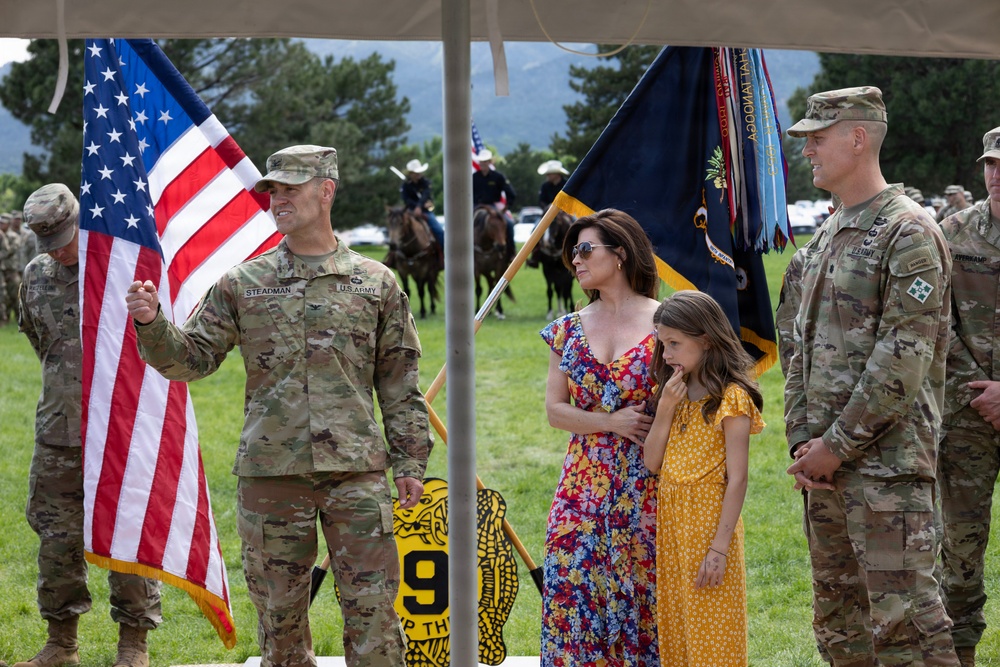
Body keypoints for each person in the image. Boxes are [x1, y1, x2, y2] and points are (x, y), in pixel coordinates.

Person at [125, 145, 432, 667]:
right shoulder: (243, 283)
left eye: (291, 188)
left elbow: (399, 383)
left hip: (356, 473)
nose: (278, 199)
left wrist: (409, 462)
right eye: (273, 190)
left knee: (375, 618)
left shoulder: (375, 282)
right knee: (279, 624)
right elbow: (191, 360)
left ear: (326, 191)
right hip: (271, 476)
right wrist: (152, 323)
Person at [784, 86, 958, 666]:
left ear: (857, 138)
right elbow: (798, 350)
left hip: (888, 472)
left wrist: (834, 447)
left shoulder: (908, 232)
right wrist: (803, 442)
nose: (807, 149)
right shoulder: (825, 236)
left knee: (908, 632)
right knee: (842, 630)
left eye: (817, 137)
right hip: (823, 472)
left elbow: (902, 359)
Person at [17, 183, 162, 667]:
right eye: (47, 243)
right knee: (56, 540)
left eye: (62, 240)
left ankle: (133, 645)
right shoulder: (35, 275)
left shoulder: (119, 268)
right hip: (58, 433)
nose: (56, 252)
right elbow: (42, 343)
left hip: (118, 429)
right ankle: (61, 644)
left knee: (127, 536)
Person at [539, 208, 662, 667]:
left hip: (647, 485)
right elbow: (555, 411)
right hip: (581, 490)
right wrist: (611, 422)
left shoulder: (666, 322)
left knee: (643, 601)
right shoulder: (567, 329)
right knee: (574, 596)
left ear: (622, 253)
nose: (576, 259)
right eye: (573, 252)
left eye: (586, 249)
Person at [643, 290, 763, 667]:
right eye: (663, 344)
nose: (666, 355)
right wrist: (665, 408)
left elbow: (738, 479)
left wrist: (719, 549)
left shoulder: (732, 397)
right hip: (673, 527)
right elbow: (651, 462)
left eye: (674, 344)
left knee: (713, 630)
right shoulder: (673, 393)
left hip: (709, 527)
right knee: (679, 628)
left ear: (706, 340)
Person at [937, 125, 1000, 667]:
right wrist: (982, 391)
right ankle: (961, 657)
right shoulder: (952, 232)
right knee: (959, 549)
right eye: (991, 164)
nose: (997, 174)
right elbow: (933, 319)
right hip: (966, 416)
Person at [472, 149, 517, 262]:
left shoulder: (498, 177)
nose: (483, 164)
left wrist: (506, 207)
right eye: (481, 162)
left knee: (509, 224)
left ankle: (511, 253)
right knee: (462, 226)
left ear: (490, 162)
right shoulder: (473, 177)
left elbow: (511, 193)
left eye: (485, 161)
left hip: (493, 206)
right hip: (476, 207)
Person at [399, 158, 444, 248]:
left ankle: (443, 252)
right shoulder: (405, 185)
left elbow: (425, 195)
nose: (419, 174)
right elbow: (406, 199)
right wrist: (417, 207)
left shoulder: (426, 182)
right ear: (411, 173)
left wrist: (419, 206)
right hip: (410, 211)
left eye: (419, 172)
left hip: (425, 211)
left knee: (439, 231)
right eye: (416, 172)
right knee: (399, 229)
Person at [3, 211, 23, 323]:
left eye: (3, 223)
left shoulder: (13, 236)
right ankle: (4, 318)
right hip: (2, 270)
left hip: (12, 269)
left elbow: (11, 250)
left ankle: (19, 317)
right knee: (3, 296)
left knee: (15, 294)